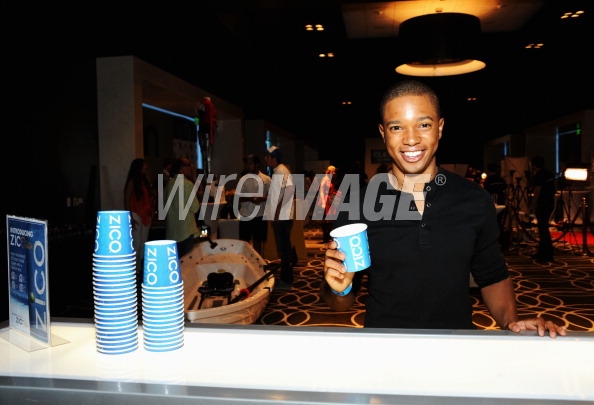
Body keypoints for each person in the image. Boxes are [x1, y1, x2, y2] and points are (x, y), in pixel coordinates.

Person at [321, 79, 566, 338]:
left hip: (458, 345)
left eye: (424, 125)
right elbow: (340, 300)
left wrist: (511, 323)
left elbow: (492, 275)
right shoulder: (355, 205)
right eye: (397, 127)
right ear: (383, 133)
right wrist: (339, 289)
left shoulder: (473, 200)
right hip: (387, 348)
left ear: (440, 128)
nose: (411, 139)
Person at [263, 145, 295, 290]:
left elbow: (289, 191)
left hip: (282, 217)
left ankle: (286, 280)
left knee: (283, 249)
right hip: (281, 216)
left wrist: (276, 212)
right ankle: (287, 276)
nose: (265, 159)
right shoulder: (278, 171)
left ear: (274, 158)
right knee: (284, 248)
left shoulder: (281, 171)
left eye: (267, 157)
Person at [164, 158, 200, 258]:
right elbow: (195, 207)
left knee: (176, 262)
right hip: (186, 231)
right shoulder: (187, 184)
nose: (191, 169)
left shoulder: (169, 184)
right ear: (181, 168)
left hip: (172, 230)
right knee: (187, 264)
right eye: (189, 166)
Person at [124, 158, 155, 272]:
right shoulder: (133, 181)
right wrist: (129, 216)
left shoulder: (143, 181)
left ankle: (140, 267)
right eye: (144, 165)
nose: (146, 167)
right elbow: (127, 198)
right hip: (136, 212)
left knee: (143, 242)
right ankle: (135, 267)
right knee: (137, 242)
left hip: (145, 213)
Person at [237, 154, 271, 255]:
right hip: (245, 215)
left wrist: (262, 199)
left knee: (258, 241)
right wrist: (251, 199)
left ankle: (258, 262)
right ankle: (247, 262)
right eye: (247, 163)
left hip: (260, 214)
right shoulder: (243, 179)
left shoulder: (266, 179)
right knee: (245, 241)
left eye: (250, 163)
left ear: (257, 164)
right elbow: (238, 197)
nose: (248, 165)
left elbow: (272, 196)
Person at [528, 156, 557, 263]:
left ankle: (546, 253)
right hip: (550, 202)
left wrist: (531, 206)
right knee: (544, 227)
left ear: (534, 165)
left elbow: (537, 191)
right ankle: (544, 251)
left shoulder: (539, 175)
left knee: (542, 228)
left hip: (542, 203)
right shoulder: (549, 173)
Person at [317, 165, 339, 243]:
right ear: (329, 171)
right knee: (325, 220)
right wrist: (323, 202)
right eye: (332, 171)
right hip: (325, 201)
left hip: (329, 200)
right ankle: (325, 237)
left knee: (330, 220)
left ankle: (328, 236)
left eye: (334, 171)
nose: (334, 173)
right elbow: (321, 191)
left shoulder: (331, 179)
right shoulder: (325, 178)